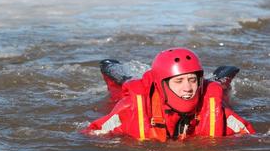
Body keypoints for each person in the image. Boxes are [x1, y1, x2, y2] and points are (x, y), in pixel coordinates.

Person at [84, 48, 255, 142]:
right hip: (140, 90)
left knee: (218, 87)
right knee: (124, 87)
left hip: (212, 88)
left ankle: (219, 76)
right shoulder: (130, 108)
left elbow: (249, 135)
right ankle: (113, 69)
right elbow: (92, 132)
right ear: (161, 84)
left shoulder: (215, 108)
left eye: (192, 80)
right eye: (179, 81)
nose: (188, 88)